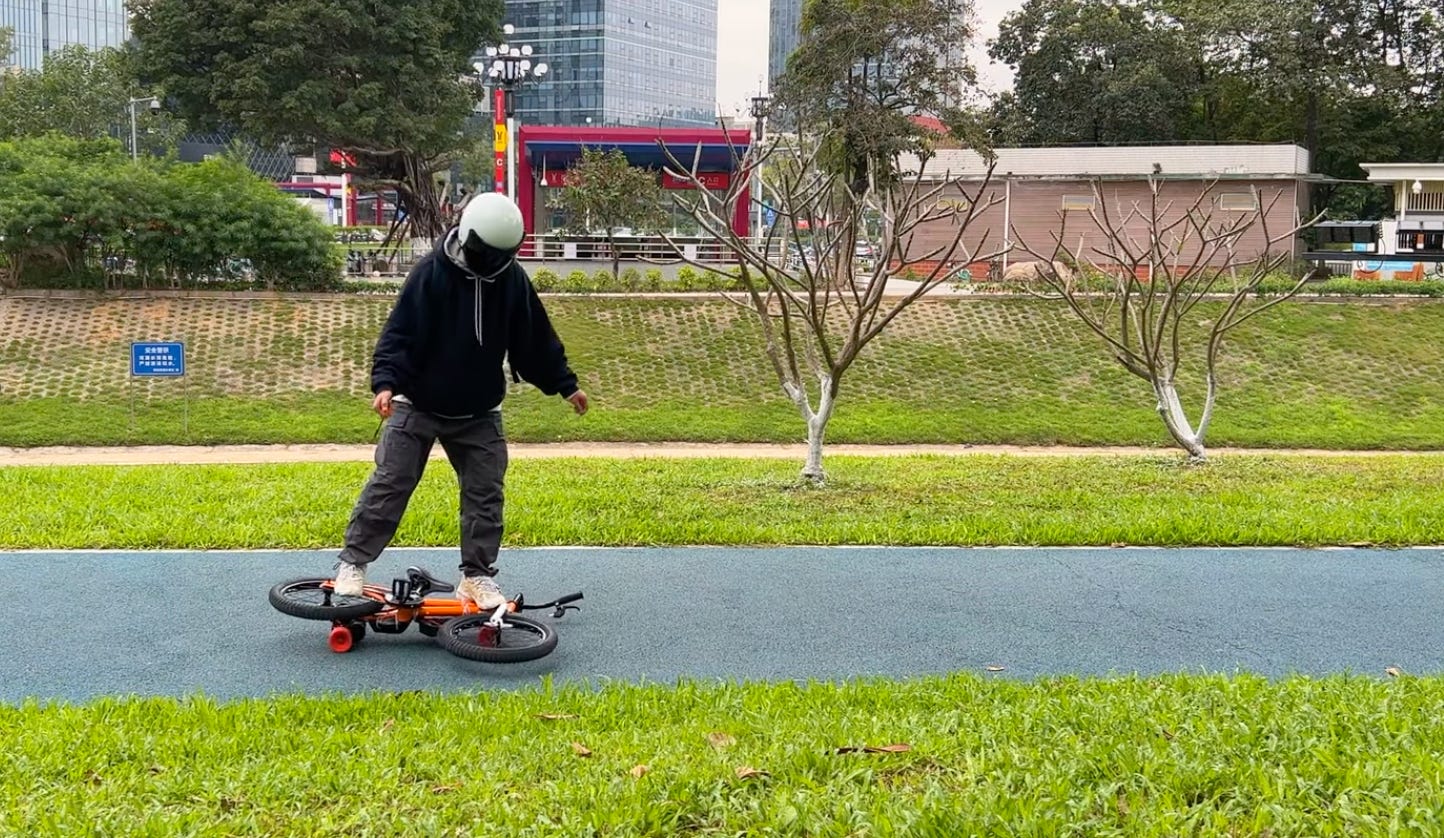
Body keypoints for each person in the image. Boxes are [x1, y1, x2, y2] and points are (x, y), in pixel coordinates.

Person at [332, 192, 588, 608]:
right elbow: (399, 336)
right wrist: (384, 384)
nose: (491, 262)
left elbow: (535, 341)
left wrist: (565, 384)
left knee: (485, 494)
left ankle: (477, 577)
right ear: (467, 237)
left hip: (480, 411)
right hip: (417, 402)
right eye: (485, 253)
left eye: (500, 255)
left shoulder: (512, 279)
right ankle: (353, 564)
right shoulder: (430, 274)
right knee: (390, 483)